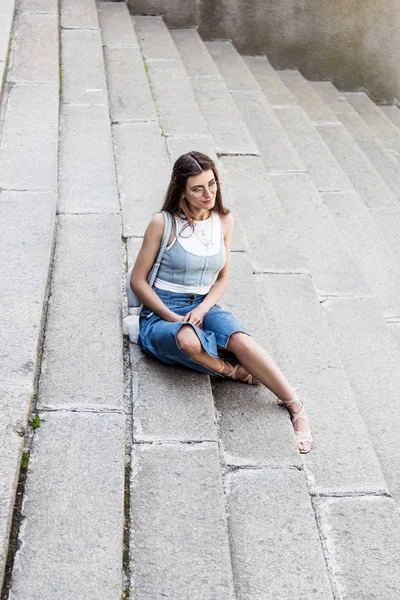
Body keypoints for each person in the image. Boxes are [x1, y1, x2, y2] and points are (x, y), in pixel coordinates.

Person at [130, 151, 313, 453]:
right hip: (161, 311)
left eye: (212, 184)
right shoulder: (162, 224)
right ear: (182, 191)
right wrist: (171, 317)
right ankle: (233, 371)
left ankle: (296, 406)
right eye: (198, 188)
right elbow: (138, 280)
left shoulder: (224, 221)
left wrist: (202, 309)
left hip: (204, 304)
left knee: (242, 341)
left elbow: (221, 280)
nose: (208, 193)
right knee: (187, 340)